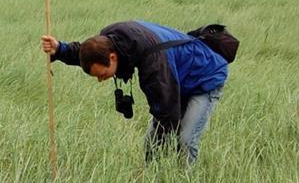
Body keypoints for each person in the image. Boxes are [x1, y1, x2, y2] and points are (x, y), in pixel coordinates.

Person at [41, 20, 228, 164]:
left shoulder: (152, 61)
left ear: (112, 58)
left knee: (185, 140)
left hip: (205, 77)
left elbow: (167, 111)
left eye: (103, 75)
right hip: (178, 77)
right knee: (153, 141)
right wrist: (60, 49)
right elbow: (87, 53)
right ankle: (151, 179)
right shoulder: (110, 40)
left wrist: (166, 143)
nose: (100, 80)